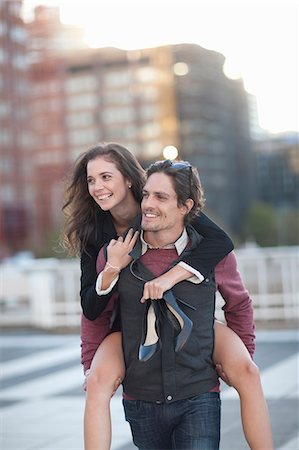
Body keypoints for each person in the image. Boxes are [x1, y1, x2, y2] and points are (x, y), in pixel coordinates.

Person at [62, 142, 234, 450]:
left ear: (128, 178)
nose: (98, 187)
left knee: (244, 370)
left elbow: (220, 241)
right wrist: (112, 268)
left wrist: (172, 276)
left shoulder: (158, 203)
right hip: (123, 328)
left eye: (105, 177)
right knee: (97, 384)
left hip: (180, 322)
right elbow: (90, 306)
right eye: (91, 180)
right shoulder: (94, 233)